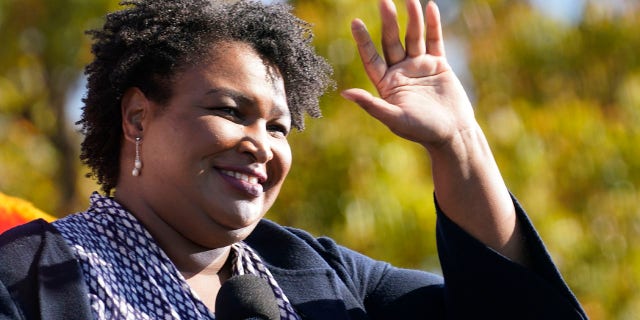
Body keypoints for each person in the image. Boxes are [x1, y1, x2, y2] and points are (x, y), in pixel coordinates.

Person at [0, 0, 587, 319]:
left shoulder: (321, 275)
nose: (262, 143)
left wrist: (458, 144)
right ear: (137, 118)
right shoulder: (22, 279)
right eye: (232, 111)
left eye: (278, 126)